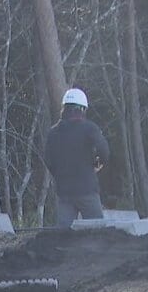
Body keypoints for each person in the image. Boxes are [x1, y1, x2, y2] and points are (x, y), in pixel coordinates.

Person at [44, 87, 109, 229]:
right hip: (87, 190)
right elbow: (104, 150)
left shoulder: (53, 133)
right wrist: (98, 164)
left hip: (64, 192)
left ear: (64, 108)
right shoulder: (89, 128)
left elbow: (48, 160)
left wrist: (60, 174)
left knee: (64, 235)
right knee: (98, 232)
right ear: (82, 109)